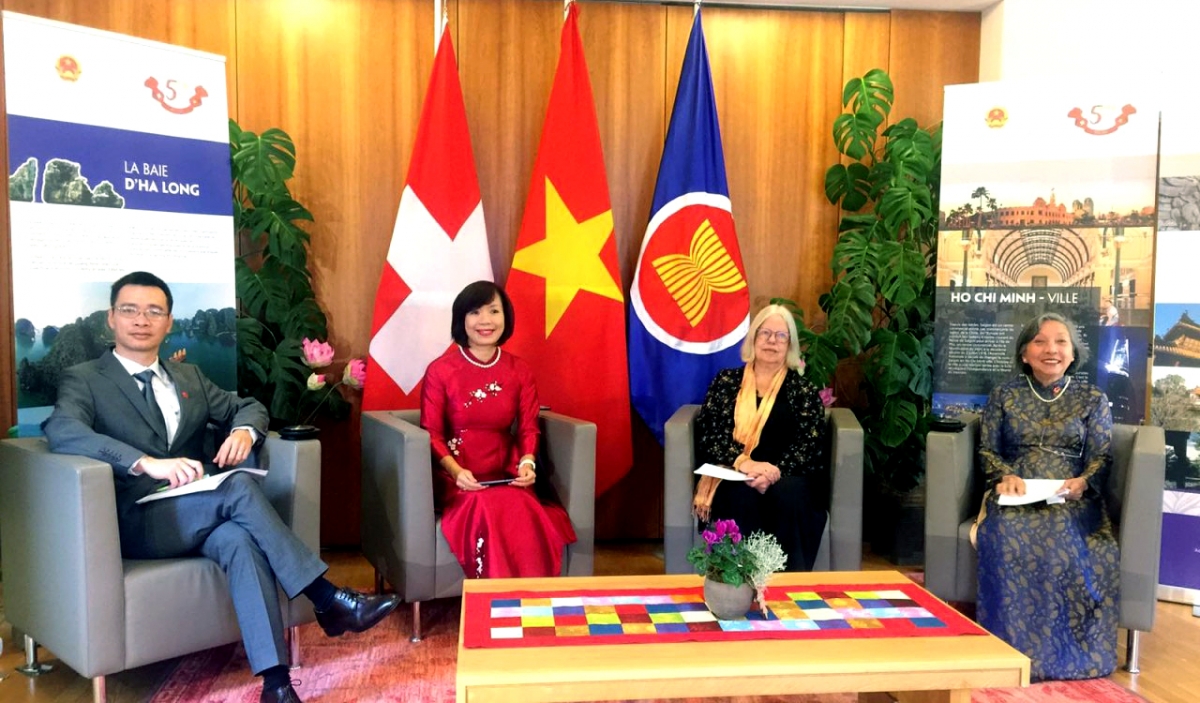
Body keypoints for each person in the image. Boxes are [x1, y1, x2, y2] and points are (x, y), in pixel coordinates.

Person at [42, 272, 399, 703]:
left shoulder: (188, 376)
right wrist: (146, 463)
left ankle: (276, 685)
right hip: (136, 518)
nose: (142, 320)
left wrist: (246, 431)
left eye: (154, 311)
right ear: (111, 318)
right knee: (235, 490)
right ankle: (325, 597)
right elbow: (62, 429)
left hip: (196, 512)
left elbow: (248, 406)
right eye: (130, 310)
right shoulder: (84, 378)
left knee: (239, 540)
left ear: (169, 322)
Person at [974, 312, 1118, 681]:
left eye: (1060, 341)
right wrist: (1003, 475)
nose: (1050, 349)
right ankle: (1007, 653)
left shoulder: (1093, 398)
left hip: (1070, 496)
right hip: (1014, 491)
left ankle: (1062, 658)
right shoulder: (1003, 395)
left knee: (1058, 533)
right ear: (1024, 353)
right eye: (1039, 341)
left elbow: (1101, 456)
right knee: (1006, 532)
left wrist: (1084, 481)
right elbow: (988, 449)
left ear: (1073, 354)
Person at [420, 280, 576, 578]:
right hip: (456, 474)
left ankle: (532, 599)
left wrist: (527, 462)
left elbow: (529, 427)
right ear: (461, 319)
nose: (485, 321)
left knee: (520, 503)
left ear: (506, 318)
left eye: (494, 311)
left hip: (504, 472)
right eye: (475, 312)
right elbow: (431, 433)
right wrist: (456, 472)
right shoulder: (440, 370)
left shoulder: (519, 370)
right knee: (484, 505)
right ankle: (493, 599)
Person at [692, 304, 828, 571]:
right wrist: (745, 464)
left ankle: (789, 587)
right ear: (753, 339)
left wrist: (772, 473)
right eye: (765, 333)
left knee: (789, 495)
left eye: (781, 336)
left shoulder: (803, 390)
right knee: (739, 496)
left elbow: (809, 445)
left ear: (790, 345)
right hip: (734, 471)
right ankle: (736, 583)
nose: (772, 341)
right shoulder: (726, 382)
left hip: (786, 474)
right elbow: (710, 434)